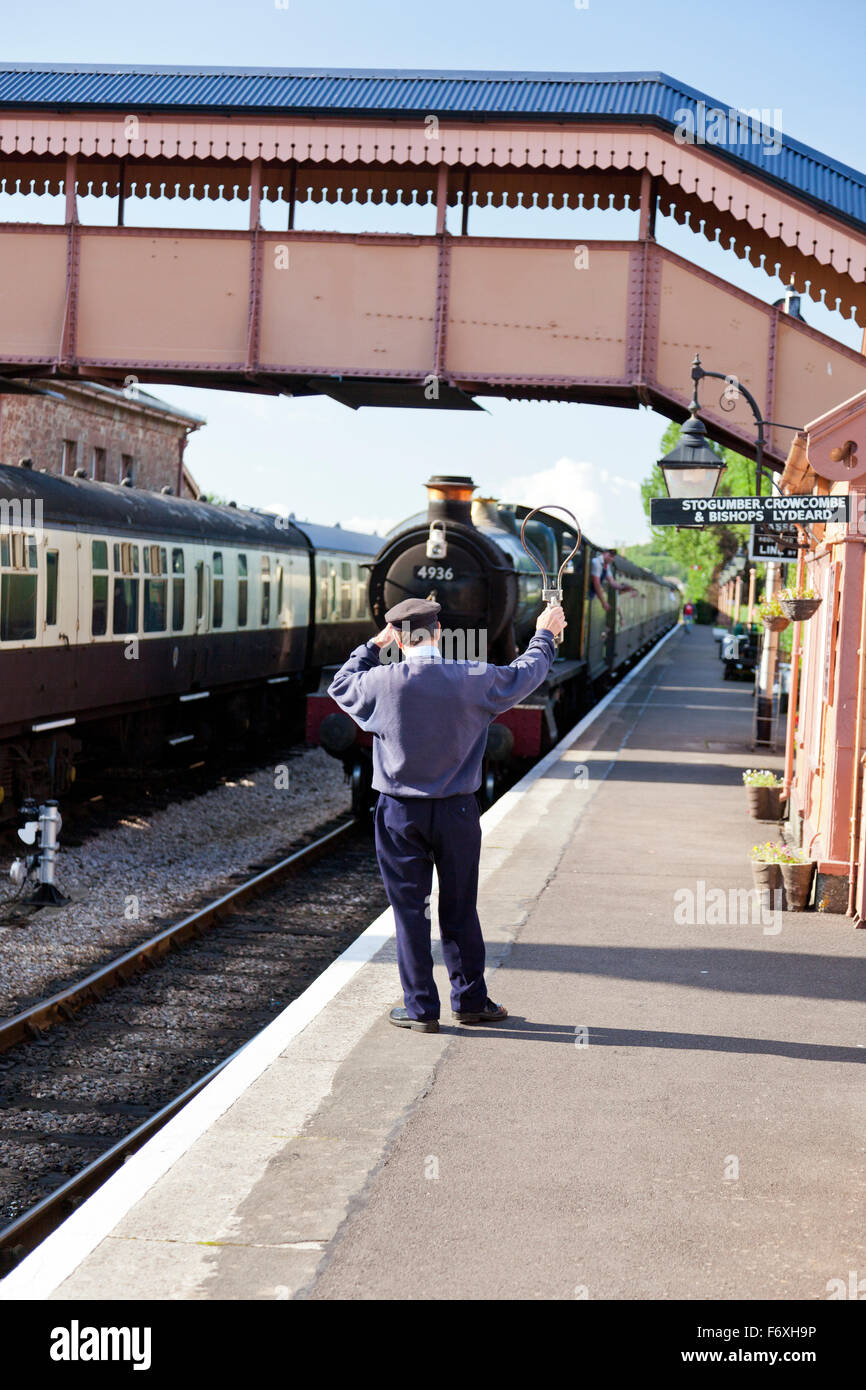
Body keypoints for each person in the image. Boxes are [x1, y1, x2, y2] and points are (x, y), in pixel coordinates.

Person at [328, 596, 567, 1033]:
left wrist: (371, 645)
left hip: (399, 814)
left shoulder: (381, 682)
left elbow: (341, 683)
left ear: (397, 639)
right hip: (457, 811)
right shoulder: (471, 677)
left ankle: (421, 1010)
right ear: (438, 633)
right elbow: (526, 673)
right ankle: (471, 1000)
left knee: (410, 911)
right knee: (460, 907)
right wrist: (545, 635)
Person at [590, 547, 638, 614]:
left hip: (592, 592)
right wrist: (603, 602)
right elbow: (596, 583)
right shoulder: (597, 563)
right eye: (610, 556)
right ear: (604, 553)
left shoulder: (606, 566)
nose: (611, 559)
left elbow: (612, 582)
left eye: (613, 557)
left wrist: (625, 588)